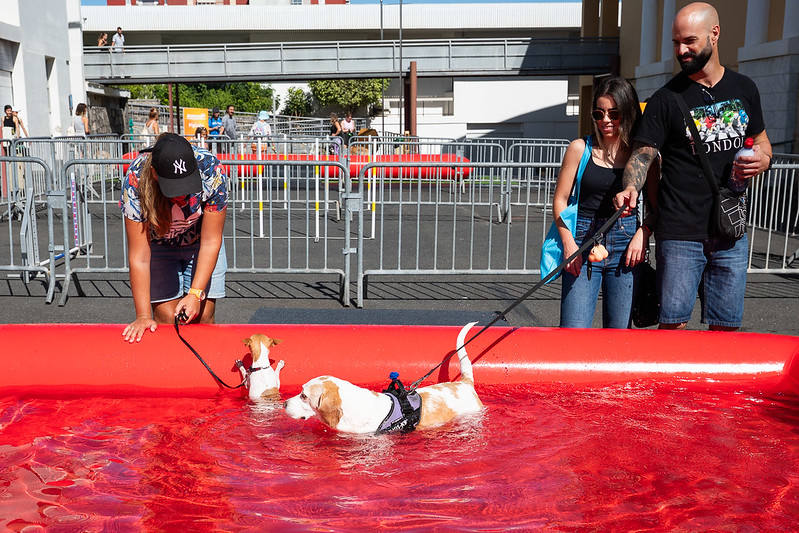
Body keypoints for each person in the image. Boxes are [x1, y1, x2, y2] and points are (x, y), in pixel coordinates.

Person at [614, 2, 772, 332]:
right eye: (676, 43)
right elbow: (642, 155)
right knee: (673, 328)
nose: (681, 50)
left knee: (726, 330)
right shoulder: (665, 99)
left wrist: (764, 159)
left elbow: (762, 142)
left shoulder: (744, 89)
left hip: (730, 232)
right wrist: (630, 186)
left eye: (689, 41)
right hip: (680, 233)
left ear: (715, 34)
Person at [554, 76, 653, 329]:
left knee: (618, 337)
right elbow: (561, 199)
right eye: (599, 114)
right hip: (583, 239)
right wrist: (568, 244)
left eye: (613, 113)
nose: (605, 120)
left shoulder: (641, 155)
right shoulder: (579, 148)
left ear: (628, 112)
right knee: (572, 332)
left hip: (625, 243)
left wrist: (643, 233)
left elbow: (657, 205)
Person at [120, 133, 228, 343]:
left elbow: (211, 241)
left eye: (187, 185)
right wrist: (143, 316)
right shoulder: (135, 180)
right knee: (167, 318)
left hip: (200, 243)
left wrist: (195, 293)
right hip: (158, 246)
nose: (182, 195)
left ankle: (203, 371)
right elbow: (139, 257)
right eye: (174, 189)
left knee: (203, 315)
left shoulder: (211, 169)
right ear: (154, 174)